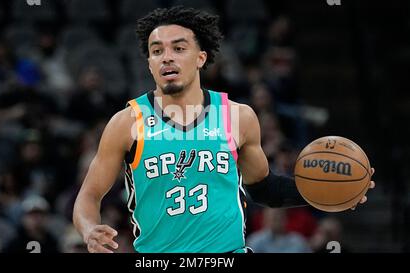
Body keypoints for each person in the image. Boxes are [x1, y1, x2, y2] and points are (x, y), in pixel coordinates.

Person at [73, 6, 375, 253]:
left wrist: (330, 189)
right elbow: (89, 196)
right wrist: (89, 230)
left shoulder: (238, 117)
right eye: (156, 51)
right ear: (150, 63)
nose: (166, 56)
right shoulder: (126, 122)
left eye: (179, 48)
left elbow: (265, 190)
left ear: (200, 58)